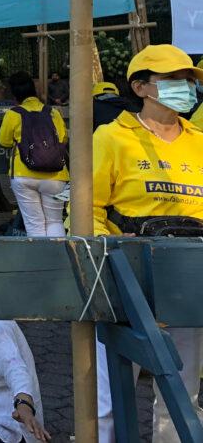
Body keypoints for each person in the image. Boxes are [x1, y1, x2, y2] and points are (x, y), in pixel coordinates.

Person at [94, 44, 203, 443]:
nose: (185, 88)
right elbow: (87, 208)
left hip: (189, 281)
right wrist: (106, 252)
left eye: (189, 80)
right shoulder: (111, 137)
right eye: (174, 80)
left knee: (181, 393)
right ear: (140, 87)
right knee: (107, 397)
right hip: (127, 278)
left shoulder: (200, 141)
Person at [0, 72, 68, 238]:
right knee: (55, 221)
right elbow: (63, 138)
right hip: (55, 175)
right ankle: (58, 258)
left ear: (14, 94)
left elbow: (4, 141)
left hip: (23, 175)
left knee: (34, 223)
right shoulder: (53, 112)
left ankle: (42, 260)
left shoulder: (13, 114)